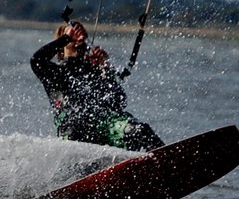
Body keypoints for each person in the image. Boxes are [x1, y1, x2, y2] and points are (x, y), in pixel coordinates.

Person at [30, 20, 164, 151]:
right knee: (77, 129)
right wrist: (67, 37)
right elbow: (36, 60)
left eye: (80, 32)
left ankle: (170, 164)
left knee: (139, 131)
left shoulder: (94, 70)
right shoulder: (56, 73)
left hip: (104, 126)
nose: (77, 34)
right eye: (73, 32)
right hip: (73, 133)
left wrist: (104, 68)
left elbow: (118, 102)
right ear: (61, 47)